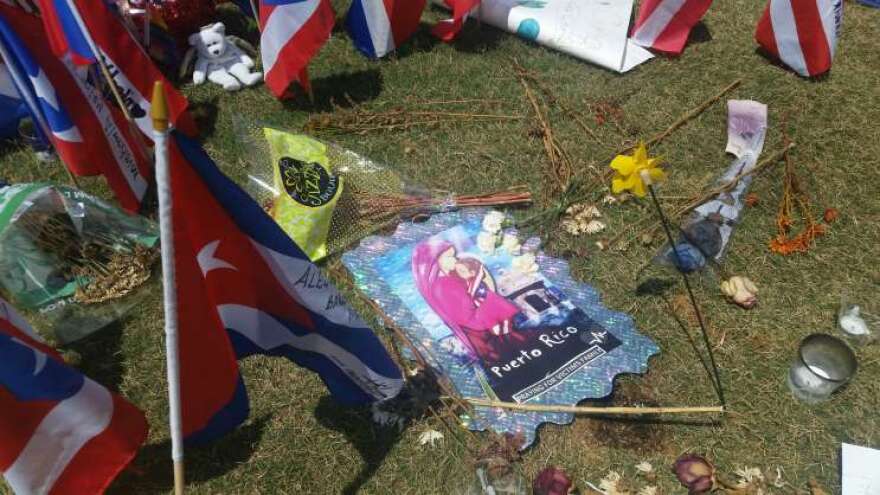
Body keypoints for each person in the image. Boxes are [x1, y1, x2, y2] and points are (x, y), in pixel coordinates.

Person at [412, 240, 521, 362]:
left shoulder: (451, 278)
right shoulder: (443, 284)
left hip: (484, 333)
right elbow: (466, 318)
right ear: (434, 262)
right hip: (481, 335)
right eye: (449, 257)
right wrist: (491, 301)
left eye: (454, 255)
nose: (455, 259)